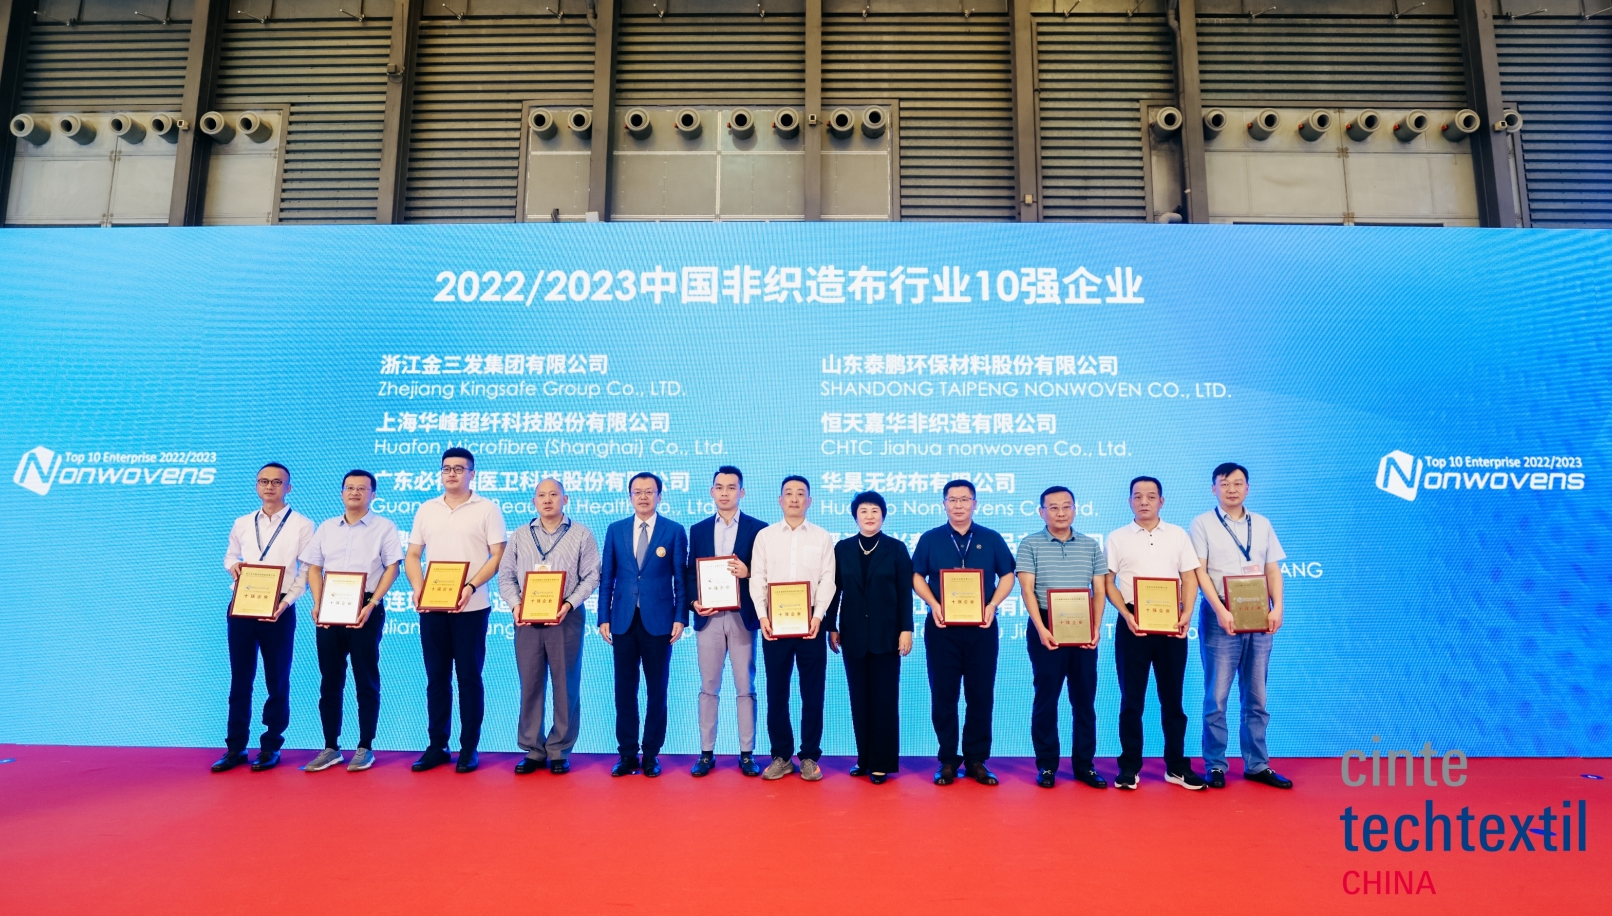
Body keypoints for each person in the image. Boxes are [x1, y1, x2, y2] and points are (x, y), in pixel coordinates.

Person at [1190, 462, 1293, 789]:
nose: (1231, 489)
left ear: (1247, 487)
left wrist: (1278, 607)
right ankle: (1215, 765)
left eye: (1237, 483)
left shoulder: (1262, 523)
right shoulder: (1202, 523)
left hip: (1260, 613)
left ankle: (1257, 764)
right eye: (1224, 484)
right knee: (1216, 697)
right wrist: (1220, 610)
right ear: (1214, 489)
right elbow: (1200, 572)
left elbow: (1272, 570)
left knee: (1257, 696)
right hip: (1221, 614)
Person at [404, 447, 507, 773]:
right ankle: (437, 745)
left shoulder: (487, 508)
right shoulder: (427, 509)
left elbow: (497, 555)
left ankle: (469, 748)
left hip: (472, 607)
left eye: (459, 469)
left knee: (469, 678)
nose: (452, 474)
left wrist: (470, 586)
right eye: (446, 468)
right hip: (433, 606)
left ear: (472, 474)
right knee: (436, 679)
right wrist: (418, 587)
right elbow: (412, 555)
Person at [1104, 476, 1205, 791]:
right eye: (1137, 496)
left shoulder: (1177, 535)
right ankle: (1129, 767)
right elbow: (1108, 582)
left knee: (1173, 699)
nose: (1144, 501)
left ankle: (1176, 767)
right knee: (1131, 700)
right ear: (1130, 501)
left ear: (1162, 501)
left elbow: (1189, 577)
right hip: (1133, 623)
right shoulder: (1117, 537)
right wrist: (1126, 615)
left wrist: (1186, 613)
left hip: (1171, 623)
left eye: (1151, 496)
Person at [911, 479, 1016, 786]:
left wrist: (993, 605)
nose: (959, 505)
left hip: (982, 628)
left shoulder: (991, 538)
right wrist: (933, 604)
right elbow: (916, 576)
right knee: (944, 695)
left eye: (965, 499)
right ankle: (947, 759)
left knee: (980, 694)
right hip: (942, 628)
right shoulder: (930, 538)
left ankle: (976, 760)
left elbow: (1008, 575)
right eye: (953, 500)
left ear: (975, 503)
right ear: (944, 504)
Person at [214, 461, 314, 773]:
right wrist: (233, 566)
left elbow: (306, 571)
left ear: (289, 487)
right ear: (257, 486)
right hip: (243, 606)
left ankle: (271, 745)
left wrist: (286, 601)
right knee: (240, 679)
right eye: (263, 481)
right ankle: (235, 748)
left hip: (278, 609)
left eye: (277, 482)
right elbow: (230, 555)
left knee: (277, 679)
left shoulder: (302, 525)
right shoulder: (242, 522)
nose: (270, 486)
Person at [300, 469, 402, 773]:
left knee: (365, 678)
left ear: (373, 494)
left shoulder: (384, 527)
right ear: (342, 492)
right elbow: (314, 568)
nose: (355, 492)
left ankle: (365, 746)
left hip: (365, 608)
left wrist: (372, 603)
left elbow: (393, 568)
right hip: (331, 607)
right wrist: (318, 603)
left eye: (362, 488)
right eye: (349, 488)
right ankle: (330, 747)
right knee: (330, 679)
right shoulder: (327, 527)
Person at [497, 477, 599, 775]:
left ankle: (559, 749)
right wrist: (516, 605)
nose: (547, 500)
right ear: (534, 502)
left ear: (565, 499)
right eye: (541, 495)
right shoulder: (519, 535)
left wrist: (568, 604)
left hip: (566, 618)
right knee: (530, 683)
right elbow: (506, 576)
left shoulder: (581, 534)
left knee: (566, 684)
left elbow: (592, 575)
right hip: (526, 618)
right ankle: (533, 749)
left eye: (554, 494)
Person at [1017, 485, 1110, 789]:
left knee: (1084, 699)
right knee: (1047, 698)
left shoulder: (1091, 545)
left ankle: (1085, 765)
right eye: (1053, 507)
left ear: (1075, 509)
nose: (1060, 513)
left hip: (1083, 625)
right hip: (1046, 624)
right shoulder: (1030, 544)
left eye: (1066, 506)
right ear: (1041, 511)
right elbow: (1027, 590)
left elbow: (1099, 590)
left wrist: (1096, 627)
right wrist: (1041, 628)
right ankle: (1047, 765)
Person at [598, 472, 687, 777]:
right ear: (630, 497)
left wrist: (680, 617)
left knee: (657, 690)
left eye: (650, 492)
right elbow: (607, 577)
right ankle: (626, 754)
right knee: (624, 690)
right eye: (638, 492)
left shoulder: (673, 531)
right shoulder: (616, 529)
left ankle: (650, 753)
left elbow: (680, 578)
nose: (644, 497)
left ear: (660, 496)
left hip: (660, 621)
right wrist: (604, 616)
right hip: (622, 620)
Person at [748, 475, 836, 781]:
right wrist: (762, 616)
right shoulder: (766, 536)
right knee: (776, 692)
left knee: (813, 692)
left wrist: (818, 615)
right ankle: (781, 756)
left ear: (809, 501)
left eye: (801, 494)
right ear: (780, 500)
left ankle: (809, 756)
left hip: (811, 623)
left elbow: (828, 579)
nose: (795, 498)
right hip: (774, 624)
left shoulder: (822, 537)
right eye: (789, 493)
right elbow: (757, 578)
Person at [685, 466, 767, 778]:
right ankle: (706, 753)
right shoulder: (699, 530)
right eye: (719, 487)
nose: (724, 493)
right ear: (711, 492)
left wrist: (750, 573)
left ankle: (747, 753)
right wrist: (694, 602)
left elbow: (766, 572)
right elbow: (691, 572)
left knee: (745, 687)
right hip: (708, 618)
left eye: (731, 487)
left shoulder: (758, 529)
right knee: (708, 687)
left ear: (741, 492)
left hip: (742, 616)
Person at [826, 491, 913, 784]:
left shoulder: (896, 549)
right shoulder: (843, 548)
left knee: (884, 700)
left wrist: (906, 629)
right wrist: (831, 626)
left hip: (887, 635)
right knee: (859, 699)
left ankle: (881, 762)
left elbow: (904, 593)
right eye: (863, 510)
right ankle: (863, 759)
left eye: (875, 510)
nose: (869, 516)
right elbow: (834, 591)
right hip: (852, 635)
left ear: (883, 515)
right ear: (855, 516)